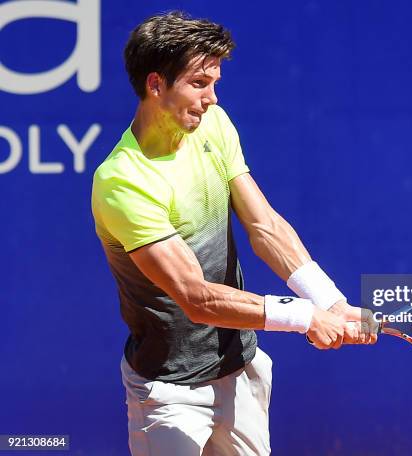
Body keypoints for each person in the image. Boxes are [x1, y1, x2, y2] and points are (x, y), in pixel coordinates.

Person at [91, 11, 377, 456]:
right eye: (199, 84)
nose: (212, 99)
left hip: (240, 371)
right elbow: (195, 296)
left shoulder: (214, 128)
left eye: (215, 83)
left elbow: (265, 226)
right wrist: (305, 318)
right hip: (170, 393)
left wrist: (330, 301)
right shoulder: (124, 182)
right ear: (155, 85)